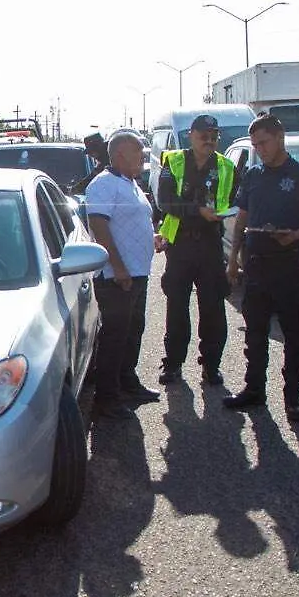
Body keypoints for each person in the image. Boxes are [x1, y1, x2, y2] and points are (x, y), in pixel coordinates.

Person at [224, 114, 299, 422]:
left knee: (293, 334)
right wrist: (233, 258)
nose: (260, 150)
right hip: (256, 265)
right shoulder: (253, 175)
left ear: (280, 137)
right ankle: (254, 390)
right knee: (254, 332)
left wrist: (294, 234)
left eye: (264, 143)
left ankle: (293, 398)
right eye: (255, 145)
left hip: (288, 265)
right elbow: (242, 218)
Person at [83, 129, 165, 419]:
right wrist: (117, 266)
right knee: (115, 337)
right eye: (138, 154)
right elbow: (99, 226)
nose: (143, 159)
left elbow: (132, 222)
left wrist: (152, 236)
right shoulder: (104, 185)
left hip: (137, 273)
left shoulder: (129, 182)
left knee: (133, 331)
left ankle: (127, 382)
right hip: (117, 277)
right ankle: (106, 399)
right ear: (119, 155)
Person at [155, 114, 237, 388]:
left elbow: (234, 201)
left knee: (213, 308)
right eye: (203, 134)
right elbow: (166, 201)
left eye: (214, 134)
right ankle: (173, 364)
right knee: (177, 307)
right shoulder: (174, 161)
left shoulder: (226, 166)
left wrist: (222, 214)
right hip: (180, 245)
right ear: (191, 135)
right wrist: (198, 211)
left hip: (211, 244)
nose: (209, 139)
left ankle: (211, 366)